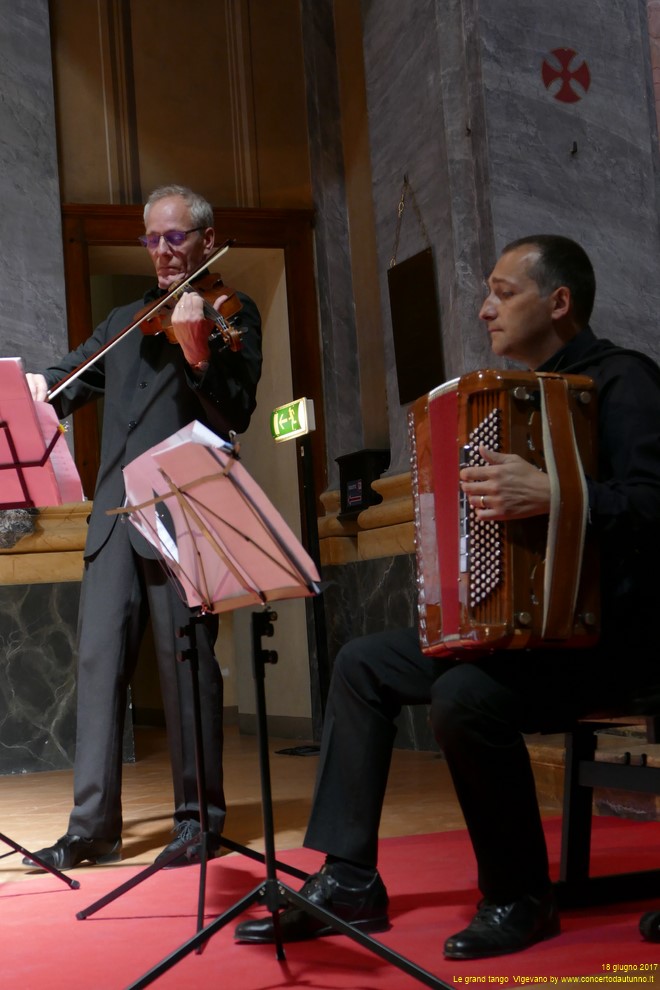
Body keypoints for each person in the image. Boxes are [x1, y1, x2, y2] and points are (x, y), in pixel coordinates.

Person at [233, 234, 660, 959]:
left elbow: (653, 506)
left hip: (617, 641)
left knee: (465, 694)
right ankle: (349, 879)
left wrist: (557, 494)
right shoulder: (502, 401)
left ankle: (521, 894)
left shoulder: (626, 382)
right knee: (363, 664)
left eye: (504, 292)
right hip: (526, 636)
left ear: (560, 303)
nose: (487, 310)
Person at [23, 184, 262, 871]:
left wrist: (197, 357)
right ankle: (90, 829)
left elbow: (238, 408)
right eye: (151, 239)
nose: (161, 252)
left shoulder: (227, 314)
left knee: (185, 665)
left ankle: (197, 820)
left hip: (182, 513)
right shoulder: (125, 320)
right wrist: (34, 390)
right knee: (98, 670)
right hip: (111, 523)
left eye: (175, 238)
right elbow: (65, 381)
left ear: (206, 242)